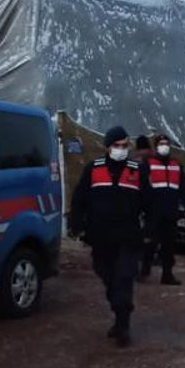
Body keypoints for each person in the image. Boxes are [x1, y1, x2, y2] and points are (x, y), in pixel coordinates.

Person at [69, 126, 149, 347]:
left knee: (124, 278)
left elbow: (149, 203)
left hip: (128, 236)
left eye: (124, 146)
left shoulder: (137, 170)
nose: (121, 150)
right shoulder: (93, 169)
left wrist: (150, 232)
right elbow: (79, 199)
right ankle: (118, 312)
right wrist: (76, 225)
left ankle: (123, 325)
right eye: (117, 146)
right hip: (101, 237)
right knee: (107, 275)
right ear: (108, 146)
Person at [139, 133, 185, 285]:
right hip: (153, 212)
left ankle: (167, 274)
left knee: (169, 245)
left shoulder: (176, 165)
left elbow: (184, 188)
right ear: (156, 147)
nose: (164, 147)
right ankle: (145, 270)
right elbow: (141, 187)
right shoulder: (148, 164)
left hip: (171, 212)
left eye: (166, 144)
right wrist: (143, 206)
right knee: (150, 243)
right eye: (161, 144)